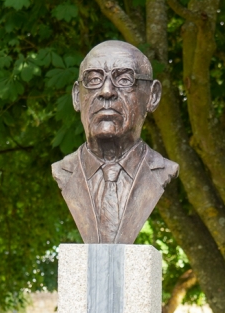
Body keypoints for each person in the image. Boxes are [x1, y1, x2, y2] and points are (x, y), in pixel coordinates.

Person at [52, 40, 179, 244]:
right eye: (94, 79)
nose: (107, 91)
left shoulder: (163, 171)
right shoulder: (63, 171)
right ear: (77, 96)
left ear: (152, 96)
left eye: (124, 79)